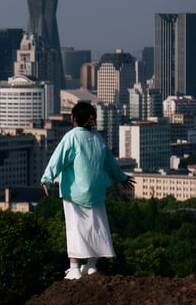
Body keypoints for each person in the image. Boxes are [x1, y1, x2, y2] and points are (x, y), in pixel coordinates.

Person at [41, 101, 136, 280]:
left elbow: (57, 159)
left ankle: (74, 267)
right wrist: (122, 178)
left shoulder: (72, 137)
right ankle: (91, 265)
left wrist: (47, 178)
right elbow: (111, 163)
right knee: (96, 226)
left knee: (75, 227)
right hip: (96, 191)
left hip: (75, 192)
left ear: (73, 119)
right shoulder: (98, 138)